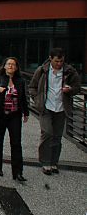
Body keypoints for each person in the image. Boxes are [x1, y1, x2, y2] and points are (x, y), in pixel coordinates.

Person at [29, 47, 81, 175]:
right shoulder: (42, 70)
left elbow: (77, 88)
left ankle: (53, 162)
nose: (59, 63)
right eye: (57, 61)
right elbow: (32, 86)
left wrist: (70, 90)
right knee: (47, 133)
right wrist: (37, 100)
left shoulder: (70, 71)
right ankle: (45, 162)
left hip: (61, 107)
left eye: (61, 61)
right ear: (50, 58)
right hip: (46, 106)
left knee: (57, 136)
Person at [0, 57, 29, 182]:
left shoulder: (20, 81)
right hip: (0, 115)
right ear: (4, 66)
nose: (10, 66)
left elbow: (23, 98)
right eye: (8, 64)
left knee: (16, 143)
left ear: (16, 68)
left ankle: (18, 172)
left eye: (13, 64)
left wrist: (26, 112)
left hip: (14, 115)